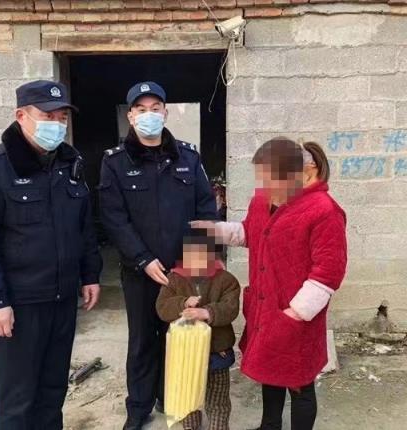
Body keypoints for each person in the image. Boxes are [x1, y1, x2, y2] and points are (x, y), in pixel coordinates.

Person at [0, 80, 103, 430]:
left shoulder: (70, 163)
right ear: (21, 116)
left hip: (62, 300)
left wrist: (90, 275)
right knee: (17, 399)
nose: (57, 123)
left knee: (52, 392)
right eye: (47, 116)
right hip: (19, 305)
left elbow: (83, 227)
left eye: (62, 117)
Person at [192, 138, 347, 430]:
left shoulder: (324, 211)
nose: (266, 184)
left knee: (300, 384)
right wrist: (215, 231)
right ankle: (269, 426)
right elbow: (250, 232)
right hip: (265, 307)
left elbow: (328, 272)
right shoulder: (264, 200)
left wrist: (295, 313)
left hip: (296, 315)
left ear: (306, 170)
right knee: (269, 371)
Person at [98, 81, 217, 430]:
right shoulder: (115, 162)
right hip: (140, 271)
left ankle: (172, 397)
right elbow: (113, 217)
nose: (148, 115)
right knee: (142, 341)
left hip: (182, 271)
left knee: (178, 334)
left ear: (165, 113)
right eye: (141, 109)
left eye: (155, 109)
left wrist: (196, 263)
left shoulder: (188, 157)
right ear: (130, 116)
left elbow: (206, 209)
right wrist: (142, 258)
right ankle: (138, 408)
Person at [156, 228, 240, 430]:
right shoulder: (173, 279)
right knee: (188, 397)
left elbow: (231, 309)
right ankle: (191, 426)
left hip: (217, 352)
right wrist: (183, 303)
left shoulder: (226, 280)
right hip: (186, 353)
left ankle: (218, 427)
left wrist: (207, 312)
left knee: (217, 399)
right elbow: (162, 307)